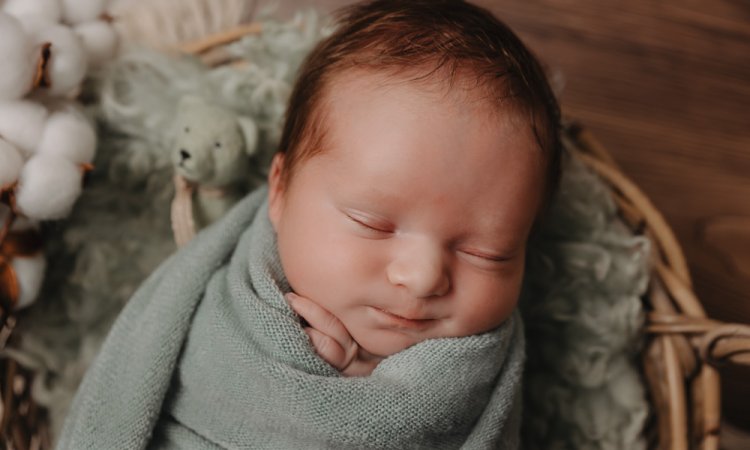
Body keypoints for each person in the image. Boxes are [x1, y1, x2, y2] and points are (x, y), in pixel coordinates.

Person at [57, 1, 561, 448]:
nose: (424, 276)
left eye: (487, 252)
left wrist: (361, 384)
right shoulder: (223, 301)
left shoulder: (475, 372)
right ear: (279, 191)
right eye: (373, 223)